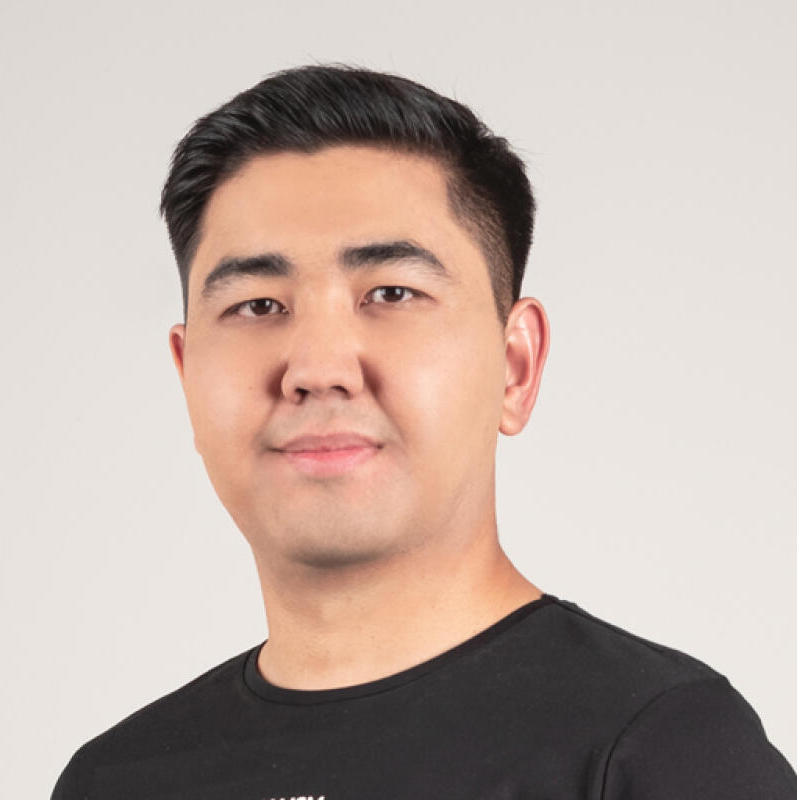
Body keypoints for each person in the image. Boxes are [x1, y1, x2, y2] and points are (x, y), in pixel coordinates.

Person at [51, 63, 796, 800]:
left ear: (514, 365)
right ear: (187, 376)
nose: (316, 367)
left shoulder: (661, 749)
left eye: (391, 292)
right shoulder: (116, 779)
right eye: (258, 305)